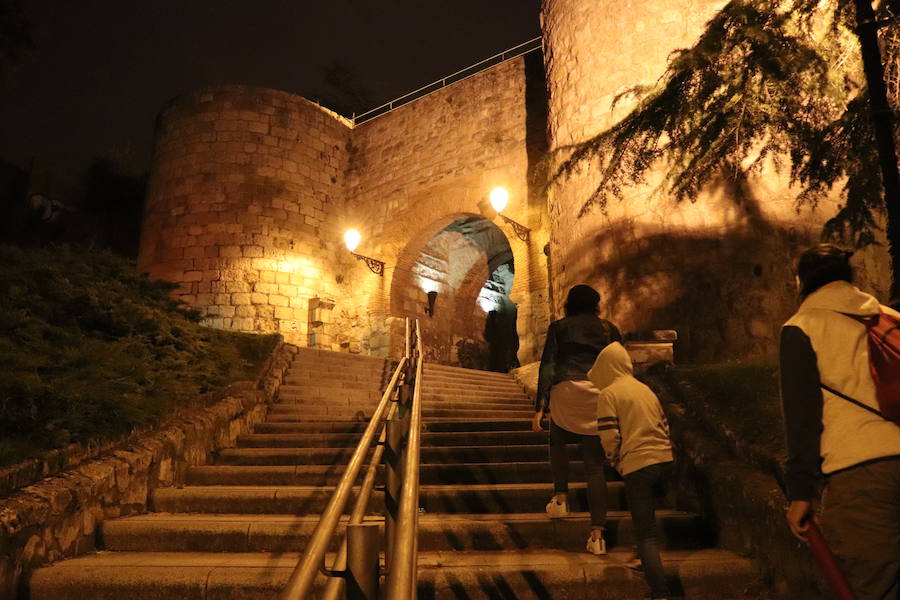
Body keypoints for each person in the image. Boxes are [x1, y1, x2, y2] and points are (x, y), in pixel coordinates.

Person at [781, 243, 900, 600]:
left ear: (802, 280)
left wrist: (800, 493)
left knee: (871, 585)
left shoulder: (802, 327)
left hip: (861, 473)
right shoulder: (891, 319)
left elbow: (803, 415)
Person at [532, 284, 622, 555]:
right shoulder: (609, 329)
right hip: (598, 393)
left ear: (570, 303)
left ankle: (560, 497)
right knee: (594, 466)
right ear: (595, 303)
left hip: (566, 390)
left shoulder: (559, 328)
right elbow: (620, 365)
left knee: (557, 440)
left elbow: (548, 365)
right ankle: (597, 534)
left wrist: (540, 407)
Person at [588, 341, 674, 600]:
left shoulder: (609, 394)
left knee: (646, 534)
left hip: (637, 463)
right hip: (664, 460)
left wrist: (615, 459)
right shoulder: (644, 389)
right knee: (645, 522)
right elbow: (664, 423)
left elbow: (609, 435)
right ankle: (641, 559)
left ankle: (660, 592)